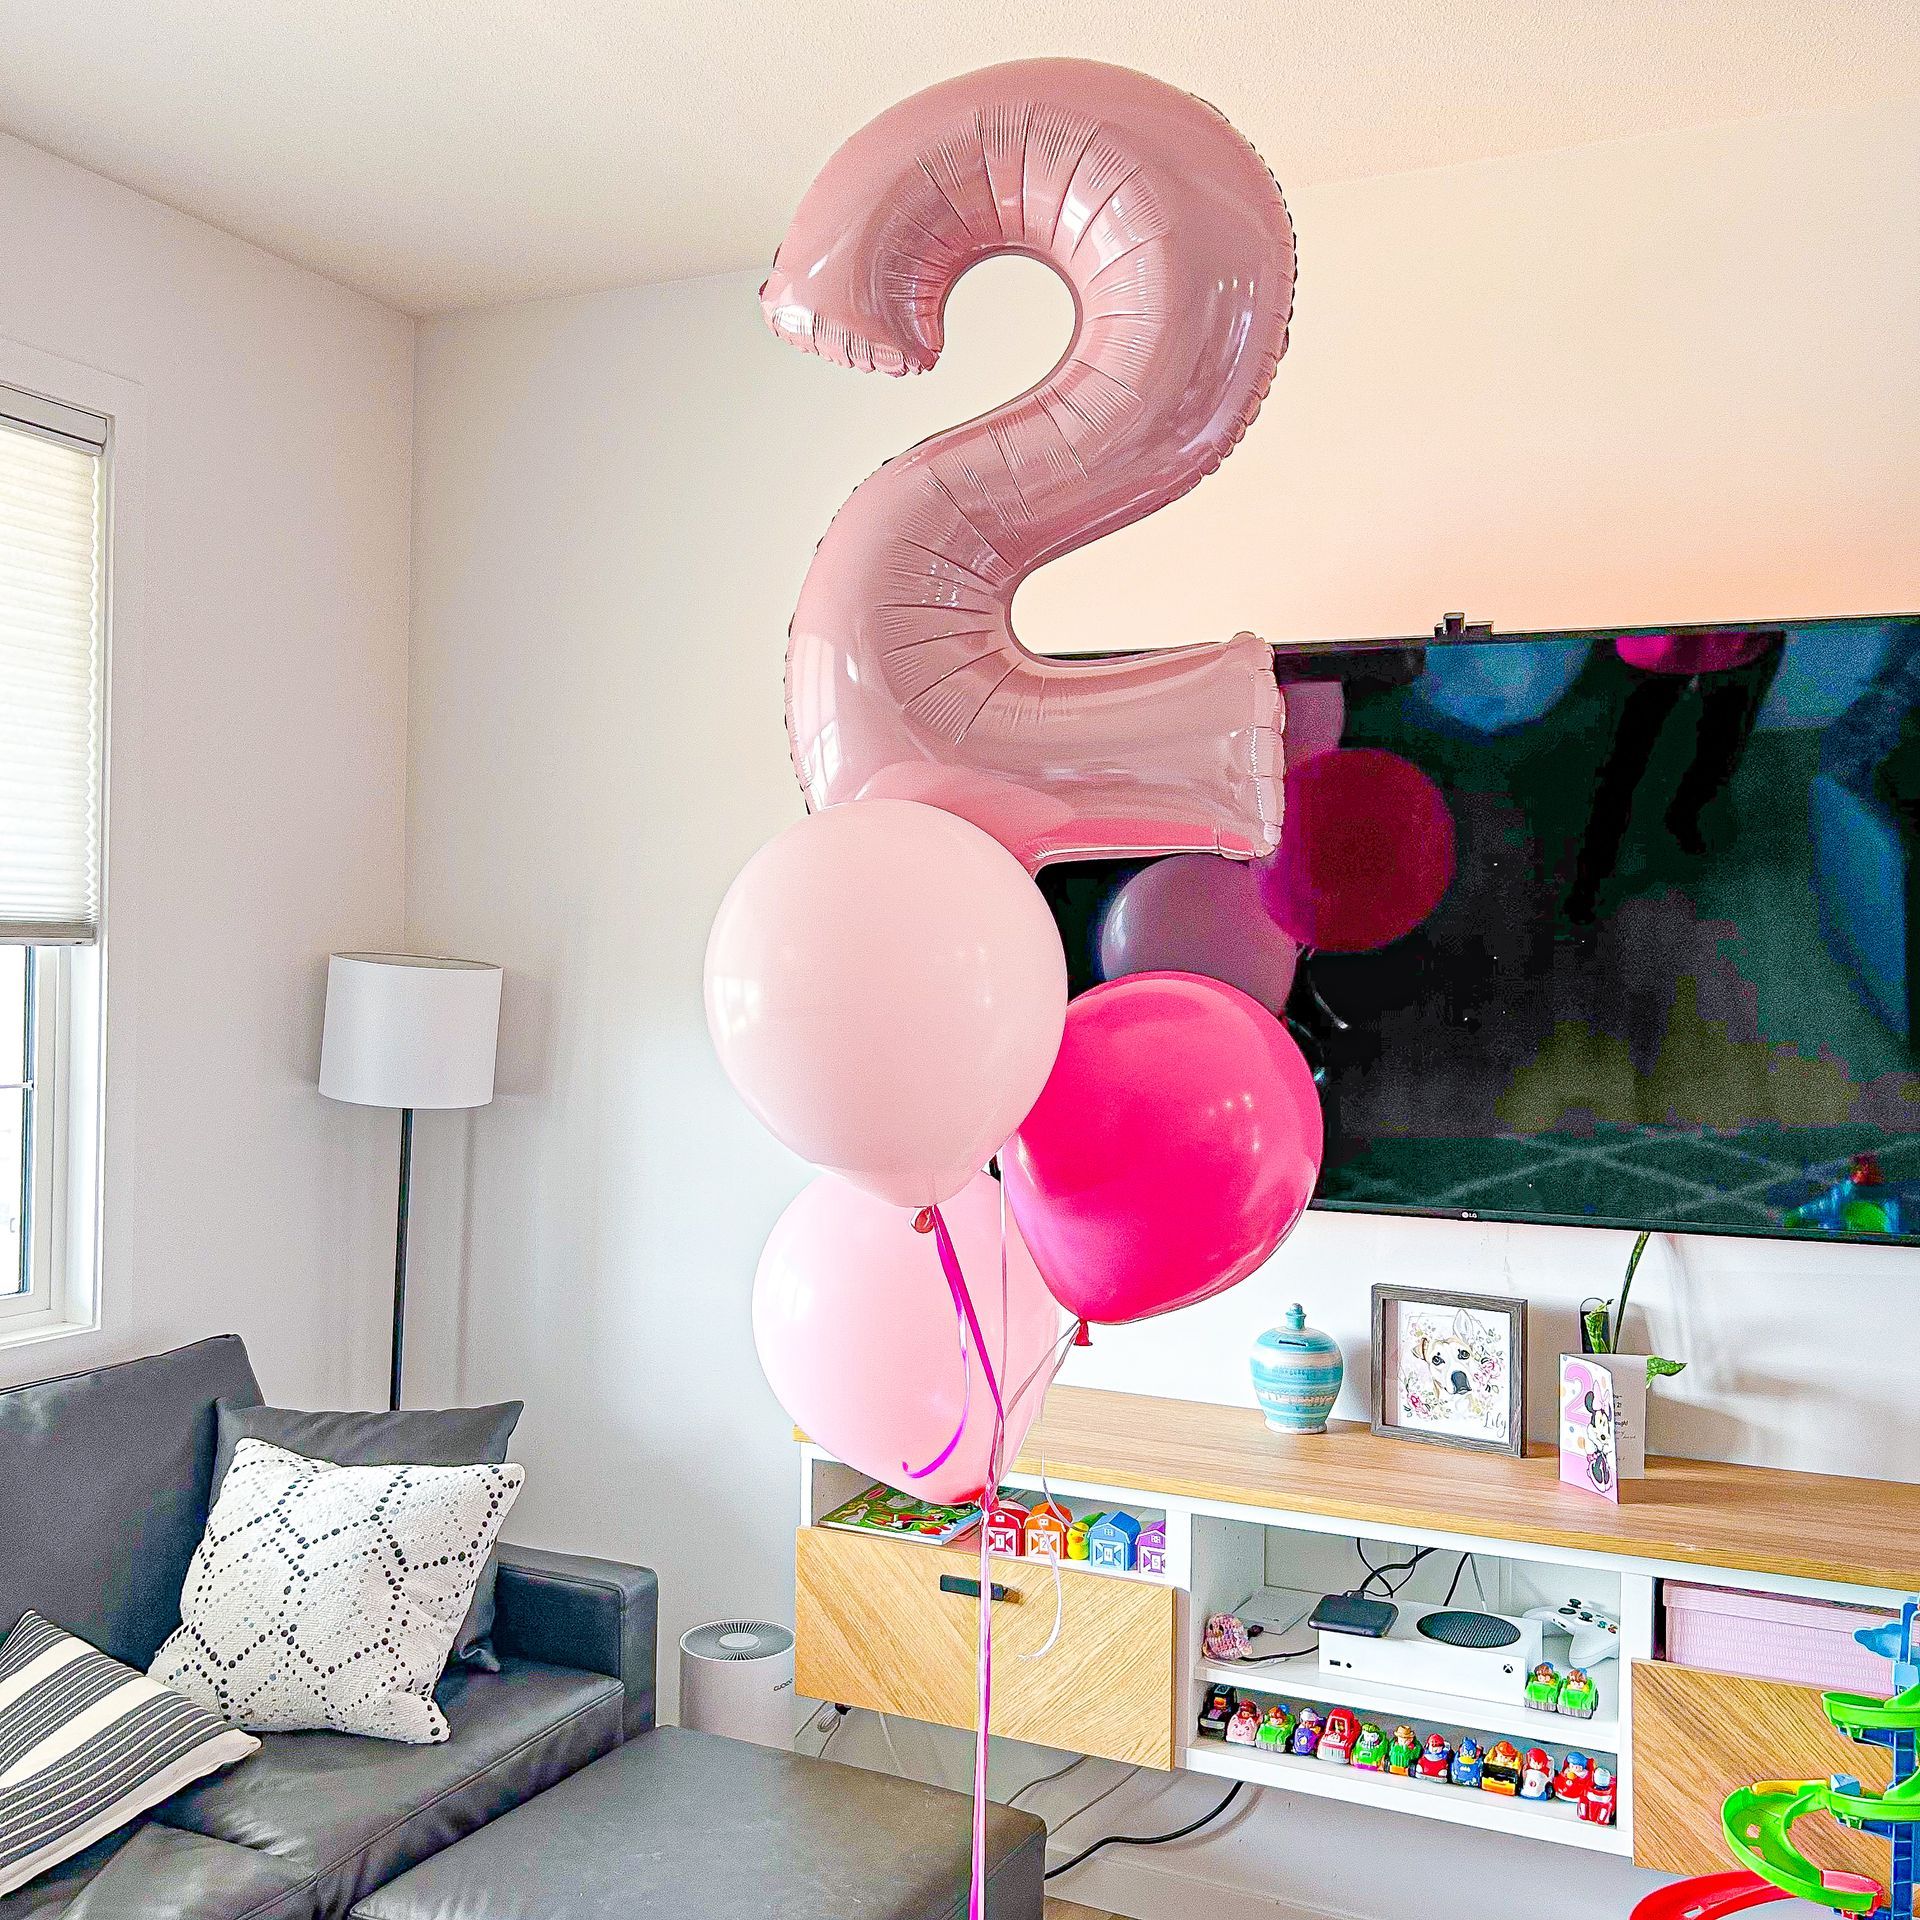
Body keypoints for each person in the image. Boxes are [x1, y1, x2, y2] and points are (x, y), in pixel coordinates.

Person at [1565, 627, 1785, 924]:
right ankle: (1604, 868)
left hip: (1691, 638)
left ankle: (1595, 876)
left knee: (1629, 765)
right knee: (1634, 764)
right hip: (1704, 636)